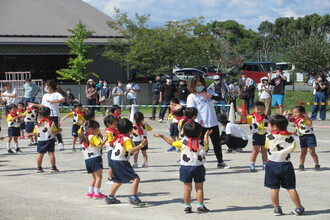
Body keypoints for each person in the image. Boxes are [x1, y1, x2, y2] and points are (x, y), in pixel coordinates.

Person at [154, 122, 212, 214]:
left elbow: (172, 143)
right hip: (199, 167)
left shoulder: (183, 142)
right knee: (199, 188)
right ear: (200, 133)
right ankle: (200, 206)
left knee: (187, 188)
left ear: (185, 133)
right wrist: (206, 136)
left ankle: (187, 206)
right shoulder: (201, 142)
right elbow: (206, 146)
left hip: (185, 167)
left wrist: (162, 136)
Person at [264, 114, 304, 216]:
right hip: (286, 164)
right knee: (291, 188)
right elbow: (293, 147)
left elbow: (266, 146)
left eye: (269, 125)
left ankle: (277, 208)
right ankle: (299, 207)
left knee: (274, 189)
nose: (268, 127)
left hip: (272, 164)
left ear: (274, 127)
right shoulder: (290, 137)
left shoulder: (268, 137)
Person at [105, 118, 148, 205]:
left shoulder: (118, 137)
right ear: (130, 129)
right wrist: (141, 145)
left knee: (119, 180)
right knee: (136, 178)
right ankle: (133, 197)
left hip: (114, 161)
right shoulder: (126, 139)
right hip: (121, 162)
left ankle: (110, 197)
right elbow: (131, 151)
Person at [187, 75, 227, 168]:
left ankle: (220, 162)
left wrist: (211, 96)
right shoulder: (192, 96)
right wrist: (195, 120)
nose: (199, 87)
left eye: (201, 85)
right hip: (200, 124)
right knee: (199, 144)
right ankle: (197, 161)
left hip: (212, 122)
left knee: (216, 143)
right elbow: (191, 110)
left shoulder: (208, 92)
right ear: (193, 85)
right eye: (197, 85)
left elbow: (219, 98)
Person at [284, 106, 320, 171]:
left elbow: (309, 123)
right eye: (293, 113)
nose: (294, 114)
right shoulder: (296, 121)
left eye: (296, 113)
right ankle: (301, 165)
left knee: (312, 152)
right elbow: (288, 121)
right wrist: (294, 133)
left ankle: (317, 164)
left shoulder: (304, 119)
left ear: (302, 113)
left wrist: (305, 116)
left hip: (309, 136)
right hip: (302, 137)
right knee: (303, 152)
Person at [80, 120, 108, 199]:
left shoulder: (84, 136)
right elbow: (99, 146)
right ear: (90, 129)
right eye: (96, 129)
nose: (97, 131)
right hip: (95, 158)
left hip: (87, 159)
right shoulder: (93, 137)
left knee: (94, 177)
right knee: (99, 177)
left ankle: (90, 192)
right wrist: (105, 139)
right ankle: (97, 193)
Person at [28, 107, 61, 173]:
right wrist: (59, 130)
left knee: (40, 154)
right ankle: (53, 167)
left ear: (39, 115)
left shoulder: (37, 124)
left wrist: (30, 134)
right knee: (51, 154)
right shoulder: (51, 123)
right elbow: (54, 132)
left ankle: (39, 167)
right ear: (49, 114)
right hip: (50, 140)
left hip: (41, 140)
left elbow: (35, 133)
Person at [239, 101, 269, 171]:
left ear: (264, 109)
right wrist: (241, 113)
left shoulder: (266, 117)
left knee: (264, 151)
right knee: (255, 151)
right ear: (254, 109)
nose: (260, 111)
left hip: (265, 135)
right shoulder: (252, 117)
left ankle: (265, 164)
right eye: (258, 109)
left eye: (262, 109)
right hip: (256, 135)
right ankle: (252, 164)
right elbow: (245, 119)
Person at [40, 80, 65, 151]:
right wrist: (34, 105)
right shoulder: (45, 95)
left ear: (50, 87)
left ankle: (60, 143)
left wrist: (53, 102)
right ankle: (49, 143)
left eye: (46, 86)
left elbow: (63, 99)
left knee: (56, 129)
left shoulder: (56, 94)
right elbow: (42, 104)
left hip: (54, 114)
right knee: (47, 129)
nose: (45, 87)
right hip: (46, 115)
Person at [103, 115, 119, 184]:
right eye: (115, 124)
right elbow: (110, 142)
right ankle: (109, 178)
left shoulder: (114, 131)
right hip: (111, 149)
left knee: (115, 164)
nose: (116, 125)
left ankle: (114, 176)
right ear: (108, 124)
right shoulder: (108, 132)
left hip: (114, 149)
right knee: (111, 165)